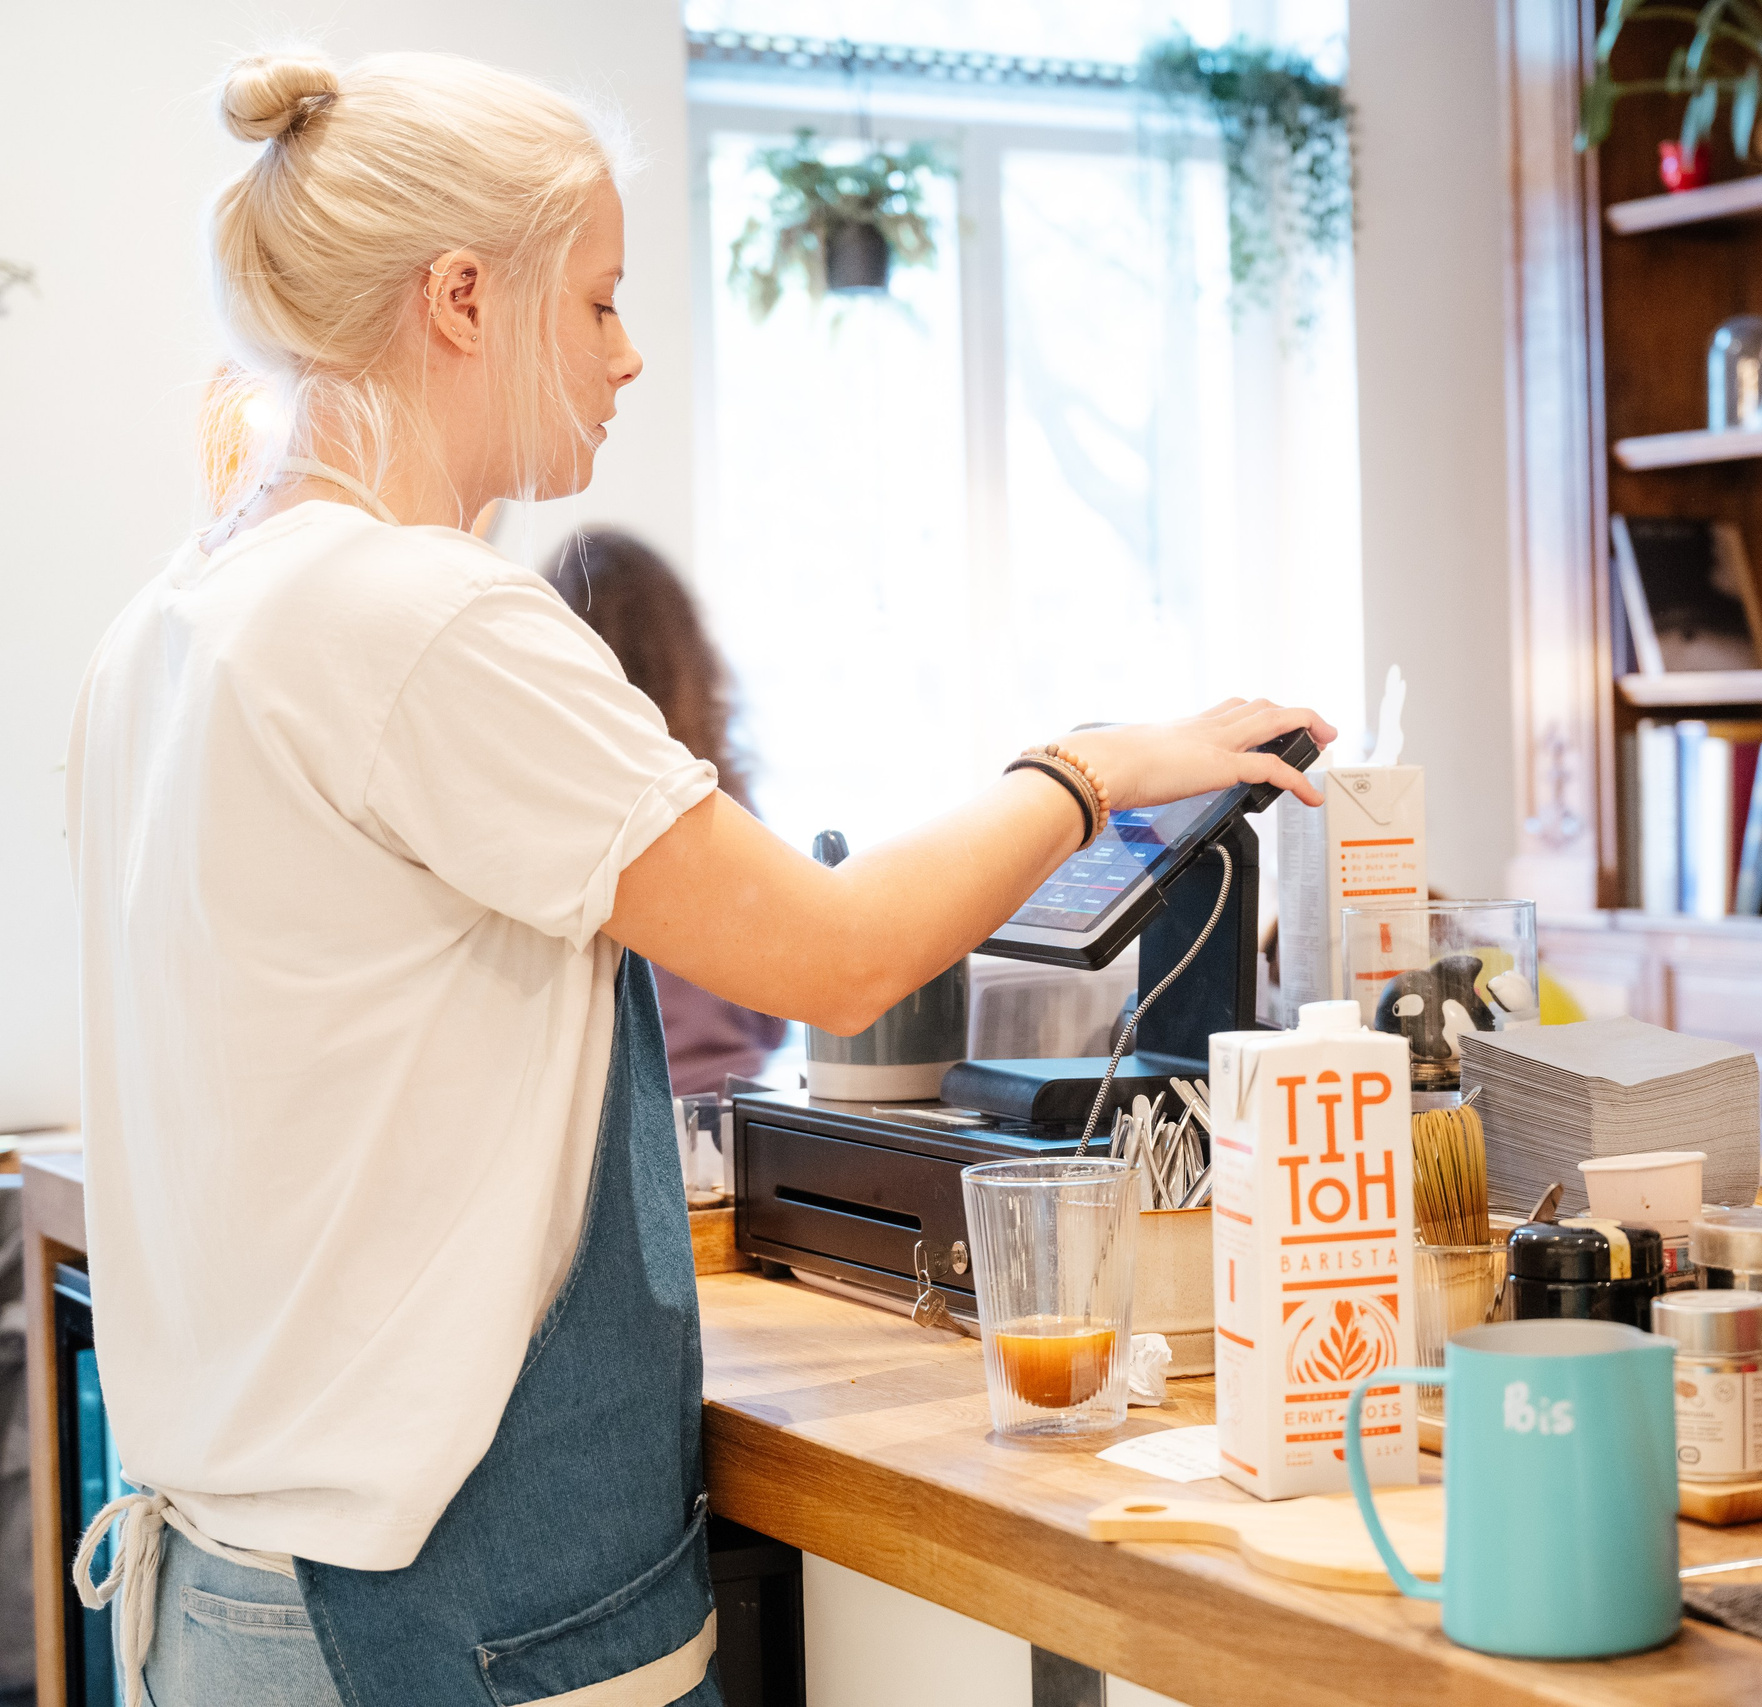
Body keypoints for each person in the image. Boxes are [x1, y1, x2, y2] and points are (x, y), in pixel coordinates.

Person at [64, 50, 1333, 1707]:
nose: (628, 353)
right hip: (436, 1616)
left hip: (226, 1598)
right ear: (460, 295)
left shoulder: (167, 621)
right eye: (591, 303)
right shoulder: (426, 617)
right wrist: (1089, 767)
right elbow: (836, 952)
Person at [545, 530, 786, 1094]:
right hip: (742, 1111)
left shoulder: (561, 817)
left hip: (625, 1125)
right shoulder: (724, 806)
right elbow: (774, 1006)